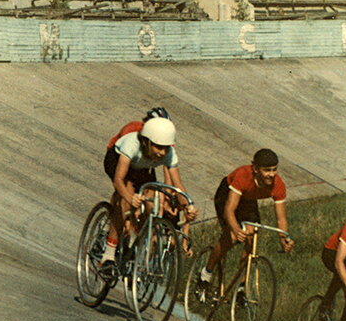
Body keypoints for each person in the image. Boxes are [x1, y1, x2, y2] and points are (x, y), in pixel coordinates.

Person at [99, 116, 198, 275]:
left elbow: (178, 185)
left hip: (142, 168)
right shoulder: (132, 144)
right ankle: (108, 255)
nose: (162, 152)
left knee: (152, 204)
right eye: (158, 147)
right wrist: (129, 197)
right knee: (126, 199)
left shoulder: (169, 153)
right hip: (117, 161)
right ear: (146, 142)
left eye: (166, 148)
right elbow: (119, 179)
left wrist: (187, 206)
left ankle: (134, 247)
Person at [198, 149, 294, 290]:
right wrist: (236, 230)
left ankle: (241, 286)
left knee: (251, 236)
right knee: (230, 237)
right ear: (255, 169)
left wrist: (283, 238)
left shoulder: (278, 184)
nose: (272, 174)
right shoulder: (243, 176)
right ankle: (206, 273)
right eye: (267, 170)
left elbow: (281, 220)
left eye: (274, 170)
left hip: (248, 199)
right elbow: (229, 211)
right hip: (227, 194)